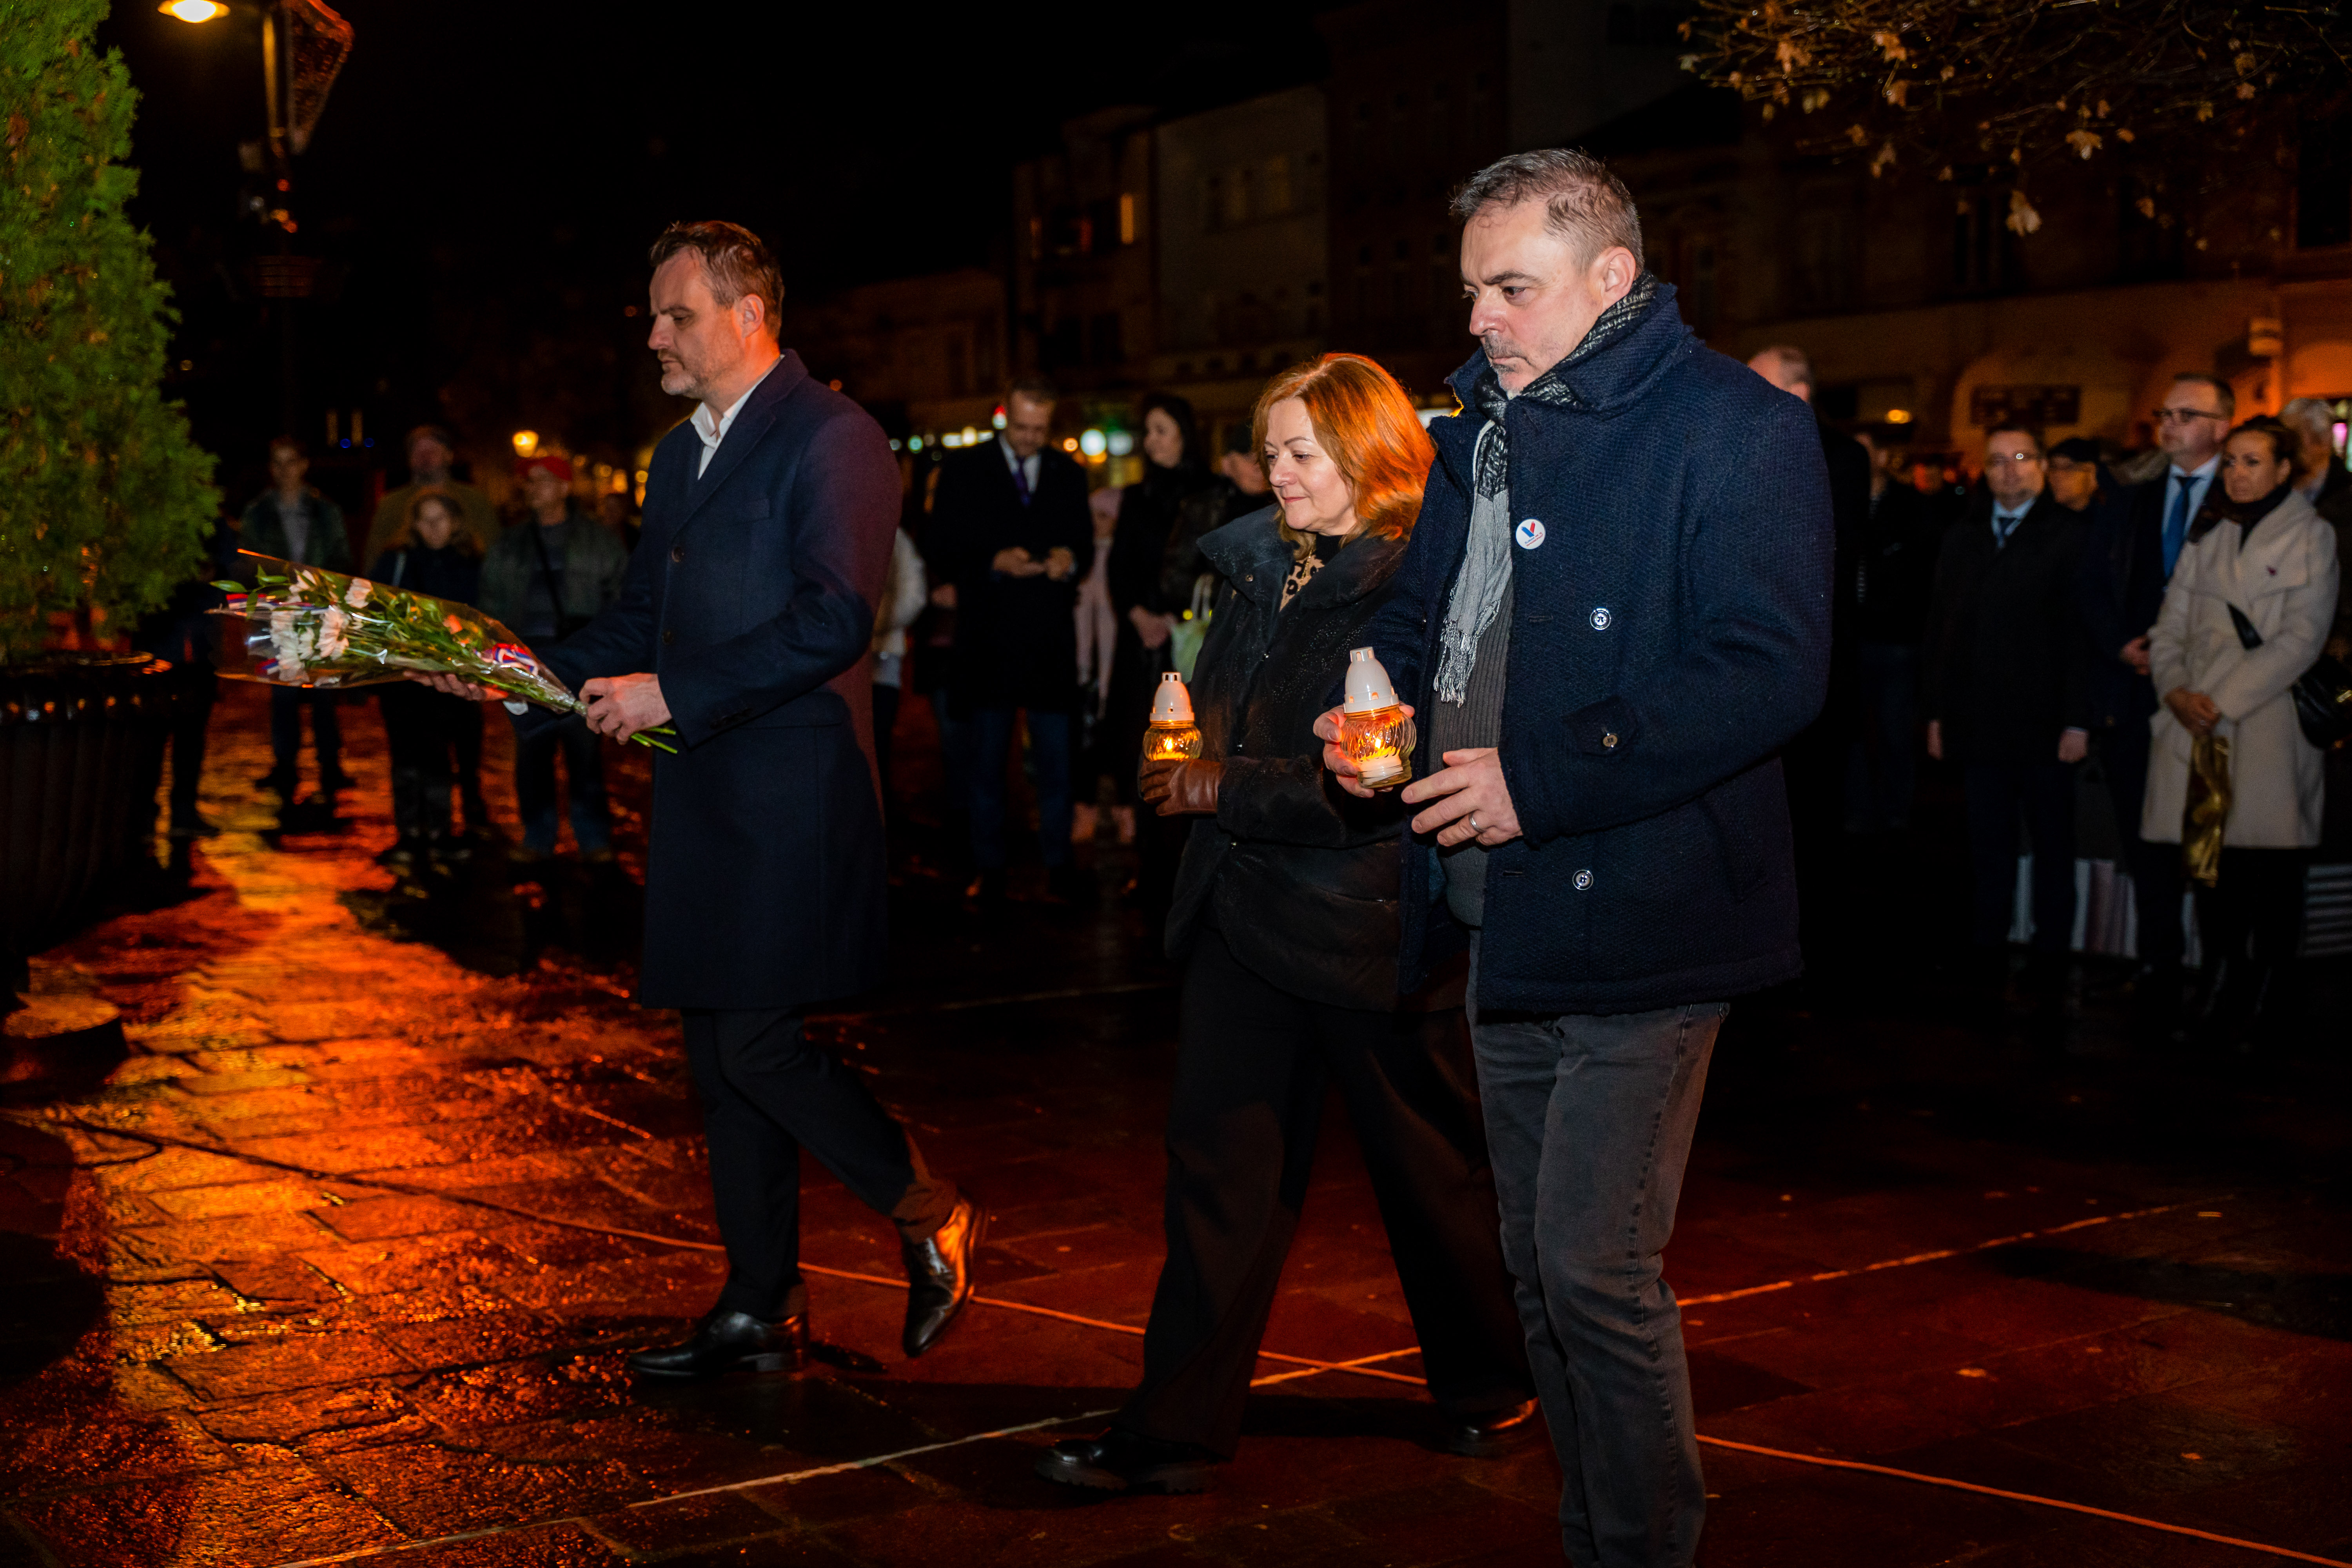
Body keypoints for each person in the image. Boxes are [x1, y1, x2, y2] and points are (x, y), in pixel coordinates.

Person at [1317, 150, 1833, 1568]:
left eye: (1510, 288)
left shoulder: (1736, 427)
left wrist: (1539, 780)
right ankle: (1593, 1532)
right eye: (1471, 289)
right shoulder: (1483, 423)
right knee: (1534, 1268)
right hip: (1500, 903)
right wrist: (1372, 699)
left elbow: (1768, 666)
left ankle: (1642, 1545)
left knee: (1593, 1265)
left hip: (1648, 900)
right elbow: (1421, 610)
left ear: (1610, 277)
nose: (1478, 317)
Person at [423, 220, 980, 1374]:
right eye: (652, 314)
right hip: (703, 798)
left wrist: (673, 692)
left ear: (748, 314)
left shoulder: (834, 436)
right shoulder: (678, 456)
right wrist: (512, 671)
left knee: (762, 1046)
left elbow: (834, 619)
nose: (654, 335)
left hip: (790, 798)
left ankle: (928, 1207)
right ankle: (759, 1303)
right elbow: (643, 617)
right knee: (718, 1063)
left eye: (676, 314)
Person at [1039, 354, 1535, 1497]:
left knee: (1428, 1173)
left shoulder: (1416, 573)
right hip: (1241, 913)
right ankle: (1176, 1421)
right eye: (1270, 450)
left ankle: (1490, 1377)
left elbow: (1373, 776)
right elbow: (1215, 713)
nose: (1278, 472)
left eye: (1303, 451)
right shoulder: (1258, 562)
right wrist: (1182, 743)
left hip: (1366, 925)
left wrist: (1218, 786)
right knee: (1218, 1172)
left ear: (1368, 451)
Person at [2141, 417, 2338, 1048]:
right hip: (2198, 724)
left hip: (2265, 722)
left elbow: (2302, 639)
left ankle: (2273, 992)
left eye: (2253, 462)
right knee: (2211, 871)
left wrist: (2218, 702)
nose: (2238, 475)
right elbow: (2169, 628)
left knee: (2271, 873)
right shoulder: (2208, 535)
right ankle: (2222, 980)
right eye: (2230, 462)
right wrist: (2176, 692)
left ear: (2284, 469)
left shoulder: (2313, 536)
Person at [2077, 374, 2233, 1011]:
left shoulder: (2242, 495)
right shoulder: (2131, 499)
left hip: (2210, 698)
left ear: (2222, 426)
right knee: (2145, 839)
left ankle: (2222, 973)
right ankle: (2158, 964)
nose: (2170, 425)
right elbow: (2092, 584)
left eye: (2186, 415)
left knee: (2213, 839)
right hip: (2135, 694)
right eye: (2165, 414)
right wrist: (2122, 645)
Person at [1923, 425, 2092, 1003]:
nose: (2009, 469)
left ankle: (2051, 954)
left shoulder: (2071, 534)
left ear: (2042, 465)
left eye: (2021, 457)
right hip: (1977, 722)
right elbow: (1941, 631)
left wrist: (2078, 720)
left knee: (2052, 846)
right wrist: (1937, 713)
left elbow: (2080, 637)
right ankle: (1987, 946)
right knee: (1986, 845)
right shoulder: (1963, 537)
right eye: (1997, 460)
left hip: (2046, 725)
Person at [931, 378, 1094, 905]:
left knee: (1056, 764)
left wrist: (1070, 560)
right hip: (989, 640)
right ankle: (990, 868)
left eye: (1039, 430)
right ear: (1004, 418)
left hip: (1049, 641)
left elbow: (1085, 544)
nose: (1029, 438)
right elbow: (941, 545)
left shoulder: (1068, 473)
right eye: (1022, 427)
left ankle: (1059, 866)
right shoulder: (964, 469)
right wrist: (991, 562)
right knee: (986, 765)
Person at [1107, 392, 1230, 914]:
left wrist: (1182, 617)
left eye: (1162, 430)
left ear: (1184, 433)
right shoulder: (1138, 496)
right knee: (1148, 748)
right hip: (1145, 648)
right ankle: (1151, 866)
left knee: (1200, 747)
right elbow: (1120, 566)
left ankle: (1194, 868)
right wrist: (1139, 615)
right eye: (1148, 431)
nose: (1152, 441)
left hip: (1194, 641)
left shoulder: (1212, 492)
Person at [479, 454, 630, 866]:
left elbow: (622, 599)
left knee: (585, 753)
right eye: (528, 481)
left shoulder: (599, 540)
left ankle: (593, 838)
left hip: (582, 661)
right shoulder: (510, 543)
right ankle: (539, 836)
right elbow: (491, 601)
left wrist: (609, 653)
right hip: (527, 661)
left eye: (542, 480)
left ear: (565, 487)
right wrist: (497, 657)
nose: (532, 488)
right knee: (532, 752)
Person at [372, 491, 486, 867]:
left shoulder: (471, 563)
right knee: (405, 756)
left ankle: (439, 833)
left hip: (450, 679)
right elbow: (374, 610)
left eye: (441, 519)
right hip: (403, 678)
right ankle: (409, 834)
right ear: (415, 525)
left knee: (439, 756)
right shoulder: (396, 561)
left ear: (455, 522)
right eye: (425, 520)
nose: (434, 528)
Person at [241, 437, 354, 799]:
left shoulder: (325, 512)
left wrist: (327, 594)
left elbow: (340, 557)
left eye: (291, 461)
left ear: (304, 465)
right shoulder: (258, 513)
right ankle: (286, 764)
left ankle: (330, 764)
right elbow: (248, 563)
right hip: (277, 615)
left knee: (323, 690)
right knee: (283, 693)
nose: (285, 470)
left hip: (319, 612)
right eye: (278, 462)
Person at [1844, 427, 1938, 832]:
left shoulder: (1911, 506)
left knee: (1895, 730)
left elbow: (1924, 574)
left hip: (1898, 639)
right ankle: (1857, 810)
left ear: (1883, 458)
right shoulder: (1839, 503)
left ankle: (1896, 810)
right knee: (1851, 733)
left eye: (1862, 452)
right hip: (1851, 640)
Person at [1071, 484, 1123, 848]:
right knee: (1082, 742)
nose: (1096, 523)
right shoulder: (1082, 557)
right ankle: (1085, 810)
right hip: (1083, 667)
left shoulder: (1120, 558)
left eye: (1104, 516)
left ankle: (1120, 813)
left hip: (1114, 665)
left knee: (1115, 742)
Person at [367, 425, 497, 565]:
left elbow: (494, 547)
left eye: (432, 451)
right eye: (418, 452)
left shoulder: (474, 498)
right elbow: (374, 553)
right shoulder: (391, 503)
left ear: (449, 456)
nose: (425, 457)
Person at [871, 523, 928, 808]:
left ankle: (878, 818)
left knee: (877, 745)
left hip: (882, 661)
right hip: (844, 663)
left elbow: (913, 595)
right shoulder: (832, 526)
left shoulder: (894, 537)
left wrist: (867, 624)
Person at [2280, 397, 2350, 512]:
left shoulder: (2346, 497)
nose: (2285, 445)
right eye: (2282, 437)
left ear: (2324, 440)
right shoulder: (2276, 488)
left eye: (2294, 437)